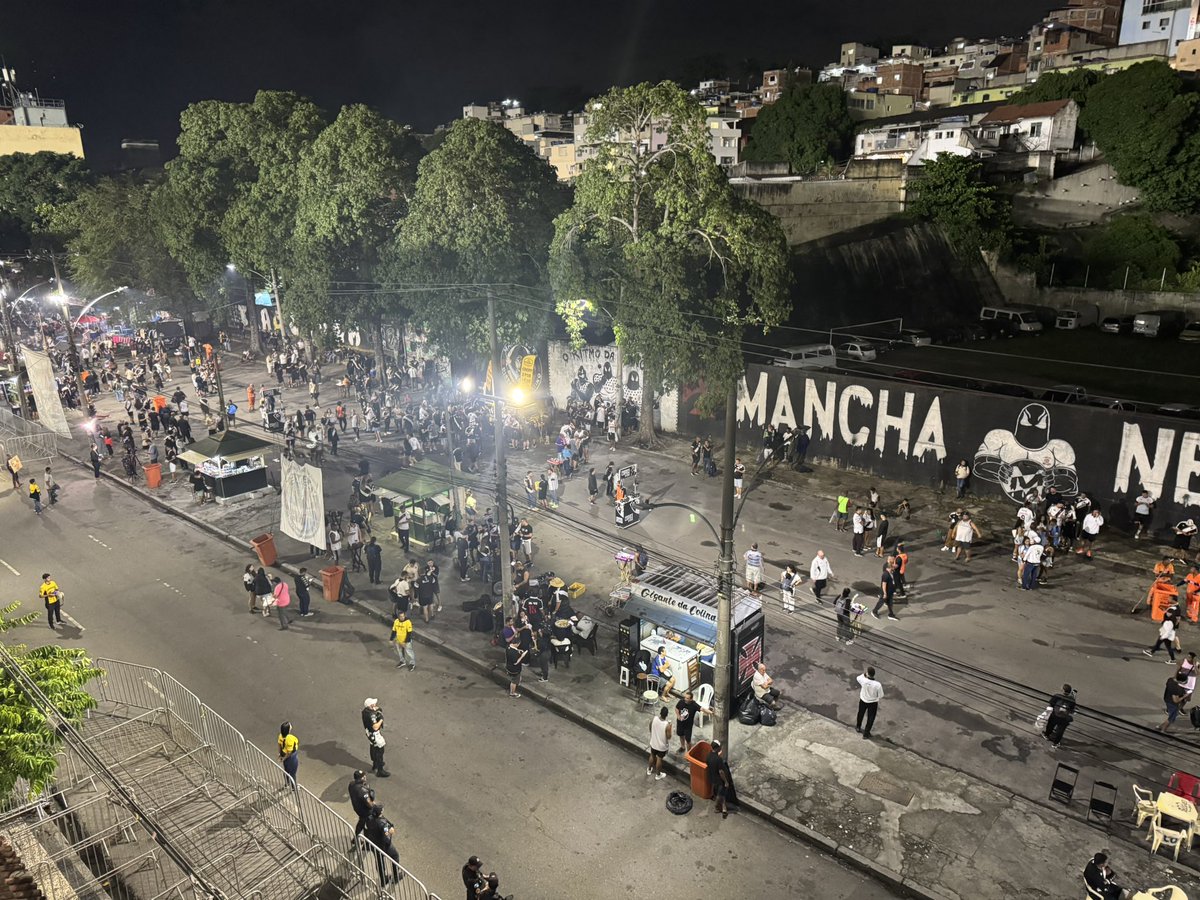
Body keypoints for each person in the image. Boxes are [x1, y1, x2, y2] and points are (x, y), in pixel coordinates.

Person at [363, 804, 400, 886]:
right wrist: (391, 832)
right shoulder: (383, 824)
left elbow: (366, 829)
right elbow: (386, 839)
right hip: (383, 846)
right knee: (395, 856)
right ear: (380, 812)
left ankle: (383, 880)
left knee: (380, 862)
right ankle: (396, 876)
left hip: (374, 845)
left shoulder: (369, 818)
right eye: (382, 810)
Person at [1043, 684, 1077, 748]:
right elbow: (1072, 709)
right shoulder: (1072, 700)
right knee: (1060, 731)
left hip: (1055, 715)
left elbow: (1051, 704)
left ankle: (1047, 735)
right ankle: (1055, 743)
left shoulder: (1057, 696)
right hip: (1063, 718)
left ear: (1063, 691)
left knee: (1050, 725)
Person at [362, 699, 389, 776]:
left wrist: (375, 710)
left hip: (370, 734)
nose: (375, 705)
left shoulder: (365, 712)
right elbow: (375, 727)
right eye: (374, 704)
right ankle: (380, 770)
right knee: (380, 751)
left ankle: (375, 765)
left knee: (373, 748)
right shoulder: (371, 715)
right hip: (375, 734)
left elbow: (375, 709)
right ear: (371, 706)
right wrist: (381, 719)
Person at [706, 740, 733, 818]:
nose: (721, 748)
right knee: (720, 794)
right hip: (719, 780)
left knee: (719, 792)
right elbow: (721, 772)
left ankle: (724, 808)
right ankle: (717, 808)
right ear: (717, 748)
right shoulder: (718, 759)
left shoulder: (708, 756)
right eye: (720, 747)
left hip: (712, 777)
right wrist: (726, 781)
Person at [855, 666, 884, 739]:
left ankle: (858, 727)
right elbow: (881, 695)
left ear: (868, 674)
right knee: (871, 718)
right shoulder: (877, 685)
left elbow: (858, 678)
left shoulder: (863, 681)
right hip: (873, 703)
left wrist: (864, 674)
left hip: (863, 700)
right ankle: (866, 733)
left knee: (860, 713)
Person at [647, 706, 672, 780]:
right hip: (661, 746)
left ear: (660, 713)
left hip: (653, 743)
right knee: (659, 759)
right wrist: (670, 728)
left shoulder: (654, 719)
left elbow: (650, 727)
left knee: (652, 755)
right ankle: (658, 775)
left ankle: (649, 770)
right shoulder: (667, 725)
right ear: (666, 715)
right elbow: (669, 737)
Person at [348, 770, 374, 842]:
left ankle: (356, 838)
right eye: (363, 776)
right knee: (368, 825)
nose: (365, 777)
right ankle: (367, 842)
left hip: (357, 807)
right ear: (360, 778)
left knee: (361, 822)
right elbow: (369, 804)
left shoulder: (351, 784)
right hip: (365, 811)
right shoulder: (363, 790)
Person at [277, 721, 299, 788]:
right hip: (291, 757)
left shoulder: (280, 735)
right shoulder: (290, 738)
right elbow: (289, 752)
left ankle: (287, 784)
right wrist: (284, 758)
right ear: (288, 729)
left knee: (286, 770)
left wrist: (280, 754)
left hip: (284, 754)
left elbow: (279, 745)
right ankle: (294, 787)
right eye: (290, 725)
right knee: (292, 773)